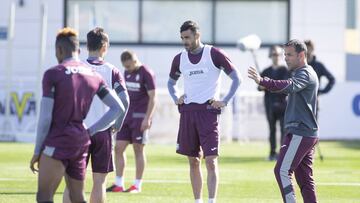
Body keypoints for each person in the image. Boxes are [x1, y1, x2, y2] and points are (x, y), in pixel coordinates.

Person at [29, 27, 125, 203]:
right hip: (88, 136)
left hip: (63, 137)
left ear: (59, 50)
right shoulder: (96, 74)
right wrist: (97, 129)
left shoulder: (54, 73)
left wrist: (37, 150)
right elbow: (120, 106)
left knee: (46, 194)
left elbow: (45, 117)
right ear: (79, 50)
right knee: (87, 190)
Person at [167, 20, 241, 203]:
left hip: (208, 113)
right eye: (182, 38)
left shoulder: (213, 54)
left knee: (211, 161)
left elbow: (236, 78)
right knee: (193, 161)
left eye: (188, 37)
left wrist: (224, 101)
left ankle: (211, 200)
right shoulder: (179, 58)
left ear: (197, 35)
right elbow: (170, 83)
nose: (185, 41)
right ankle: (198, 201)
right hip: (187, 113)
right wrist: (176, 97)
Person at [63, 27, 129, 203]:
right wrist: (118, 123)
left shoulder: (76, 68)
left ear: (86, 46)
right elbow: (125, 102)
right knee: (99, 182)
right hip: (103, 131)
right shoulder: (112, 70)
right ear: (104, 47)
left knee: (72, 182)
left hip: (78, 131)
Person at [248, 39, 319, 203]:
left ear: (301, 55)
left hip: (300, 132)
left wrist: (263, 81)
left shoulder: (305, 73)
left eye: (289, 55)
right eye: (284, 54)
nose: (285, 58)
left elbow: (289, 86)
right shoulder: (303, 72)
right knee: (305, 180)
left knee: (281, 171)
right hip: (305, 133)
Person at [107, 50, 156, 193]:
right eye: (125, 67)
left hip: (140, 117)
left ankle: (137, 185)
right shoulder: (126, 73)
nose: (127, 69)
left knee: (138, 149)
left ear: (135, 60)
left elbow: (153, 97)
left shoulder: (146, 73)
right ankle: (118, 184)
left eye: (129, 66)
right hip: (126, 117)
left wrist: (148, 118)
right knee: (118, 148)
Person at [259, 45, 290, 161]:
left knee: (283, 130)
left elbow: (285, 86)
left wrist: (270, 85)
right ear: (270, 56)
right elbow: (259, 87)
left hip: (283, 105)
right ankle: (272, 153)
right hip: (269, 104)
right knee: (272, 130)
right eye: (273, 54)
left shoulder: (285, 70)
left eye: (277, 54)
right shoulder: (266, 71)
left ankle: (282, 154)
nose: (275, 57)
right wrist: (262, 85)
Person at [304, 39, 335, 117]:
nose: (308, 51)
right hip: (299, 103)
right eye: (305, 49)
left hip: (313, 102)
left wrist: (322, 91)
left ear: (313, 49)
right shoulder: (298, 65)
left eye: (309, 49)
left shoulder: (319, 65)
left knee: (312, 128)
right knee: (299, 128)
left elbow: (332, 79)